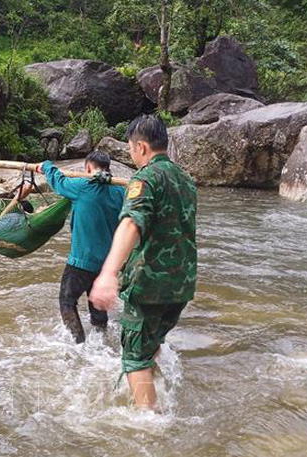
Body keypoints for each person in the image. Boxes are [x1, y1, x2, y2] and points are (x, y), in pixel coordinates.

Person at [89, 114, 197, 410]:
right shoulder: (186, 180)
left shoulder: (145, 178)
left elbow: (130, 224)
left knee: (134, 357)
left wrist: (108, 273)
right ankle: (156, 387)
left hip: (151, 285)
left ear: (141, 147)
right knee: (151, 341)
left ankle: (149, 423)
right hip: (181, 286)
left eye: (131, 148)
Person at [35, 151, 125, 343]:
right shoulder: (120, 192)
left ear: (88, 168)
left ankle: (78, 343)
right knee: (97, 302)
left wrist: (46, 166)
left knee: (67, 302)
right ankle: (102, 339)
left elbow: (58, 182)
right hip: (107, 265)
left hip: (81, 262)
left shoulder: (82, 187)